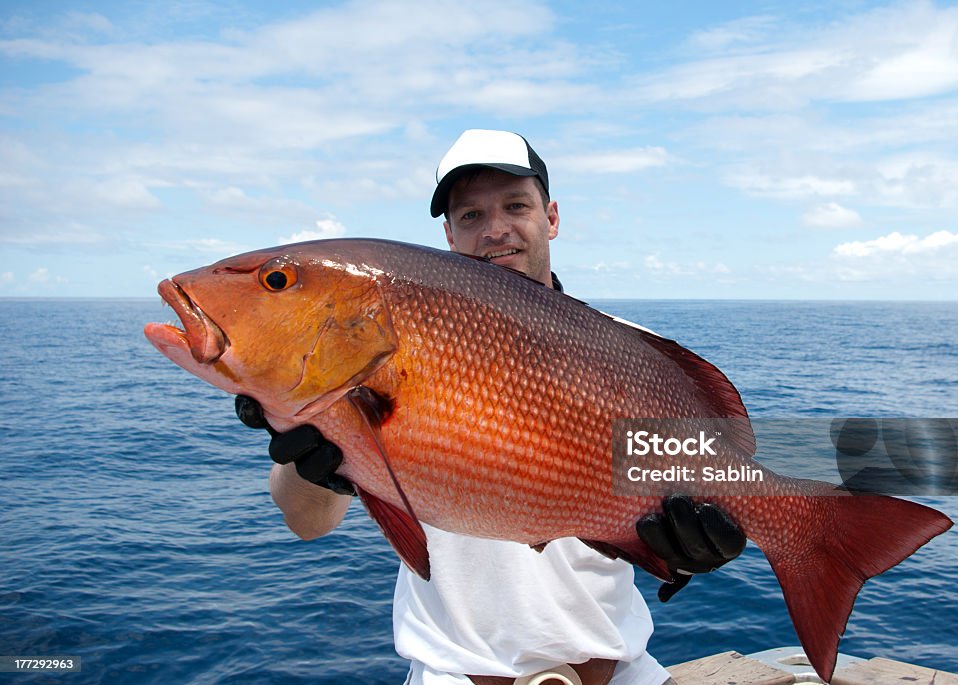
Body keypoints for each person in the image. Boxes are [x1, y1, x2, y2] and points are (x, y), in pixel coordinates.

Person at [236, 130, 745, 685]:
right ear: (450, 236)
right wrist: (321, 473)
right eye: (472, 215)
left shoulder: (629, 353)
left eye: (516, 206)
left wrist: (700, 542)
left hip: (623, 674)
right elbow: (307, 524)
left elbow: (725, 468)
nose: (496, 229)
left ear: (551, 217)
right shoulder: (383, 353)